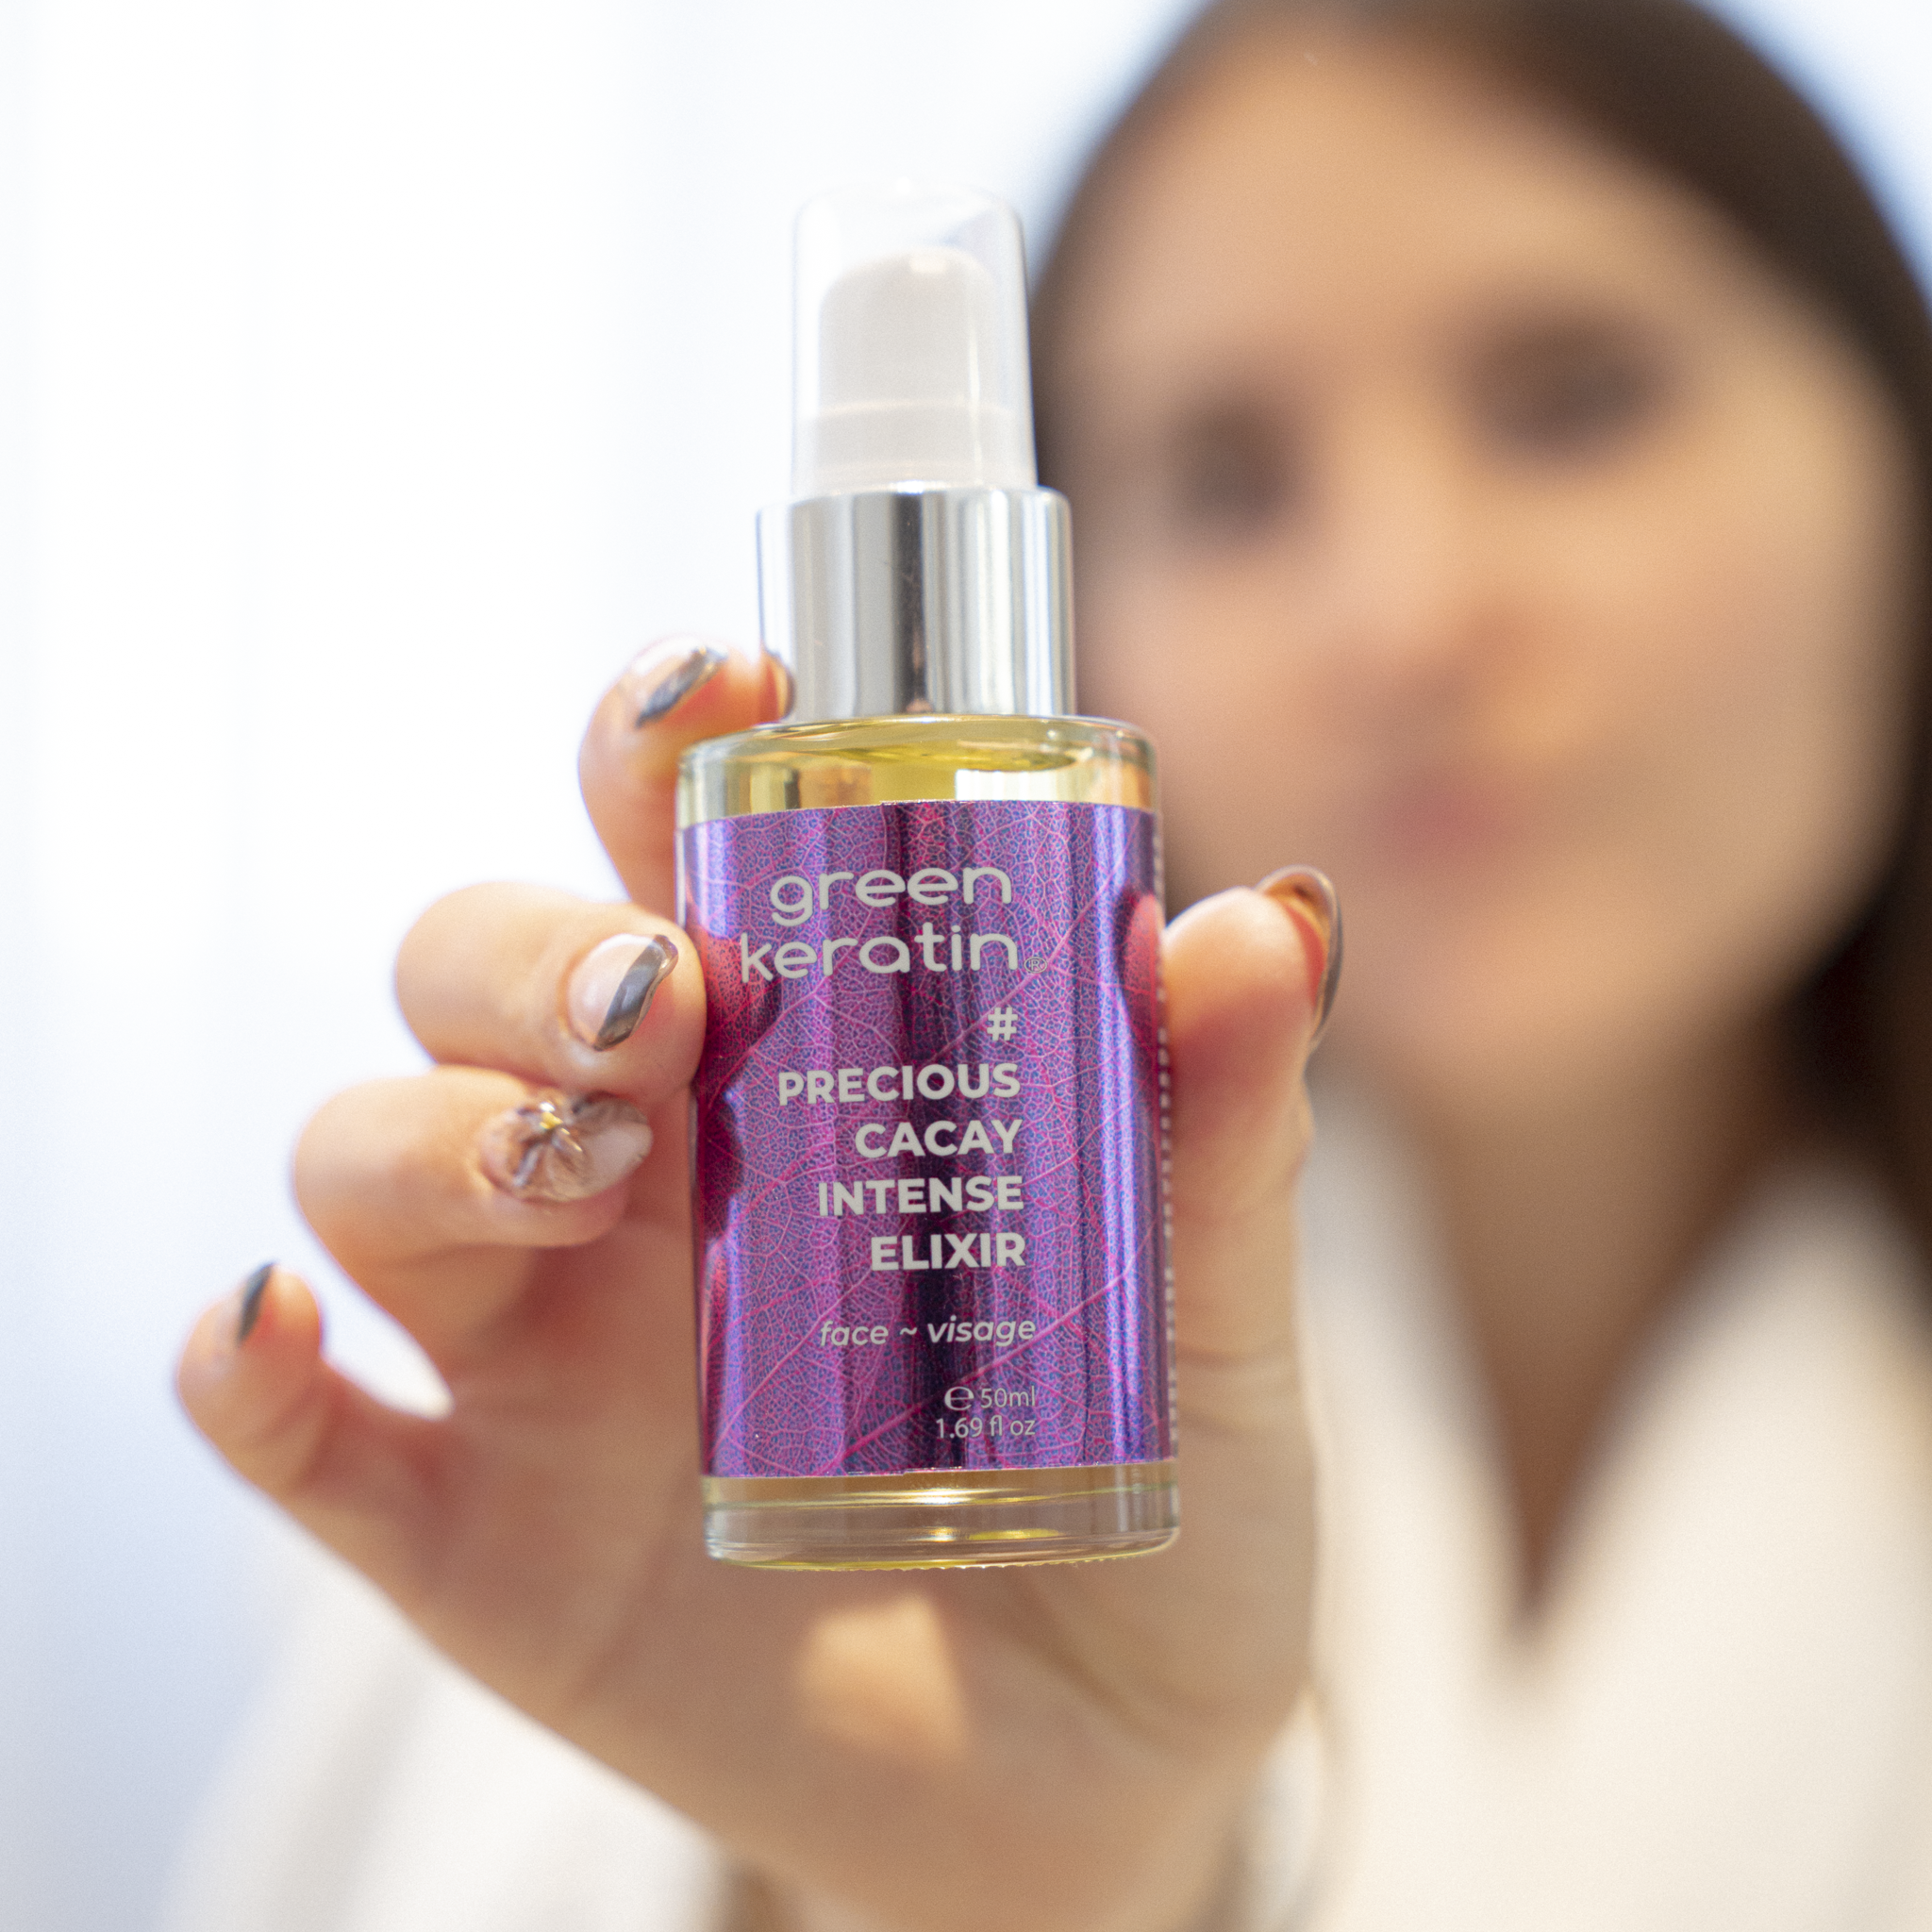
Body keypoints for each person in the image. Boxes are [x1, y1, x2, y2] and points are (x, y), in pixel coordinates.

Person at [169, 0, 1932, 1925]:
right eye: (1226, 478)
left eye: (1572, 399)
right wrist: (964, 1886)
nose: (1405, 612)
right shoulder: (767, 1343)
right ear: (1087, 627)